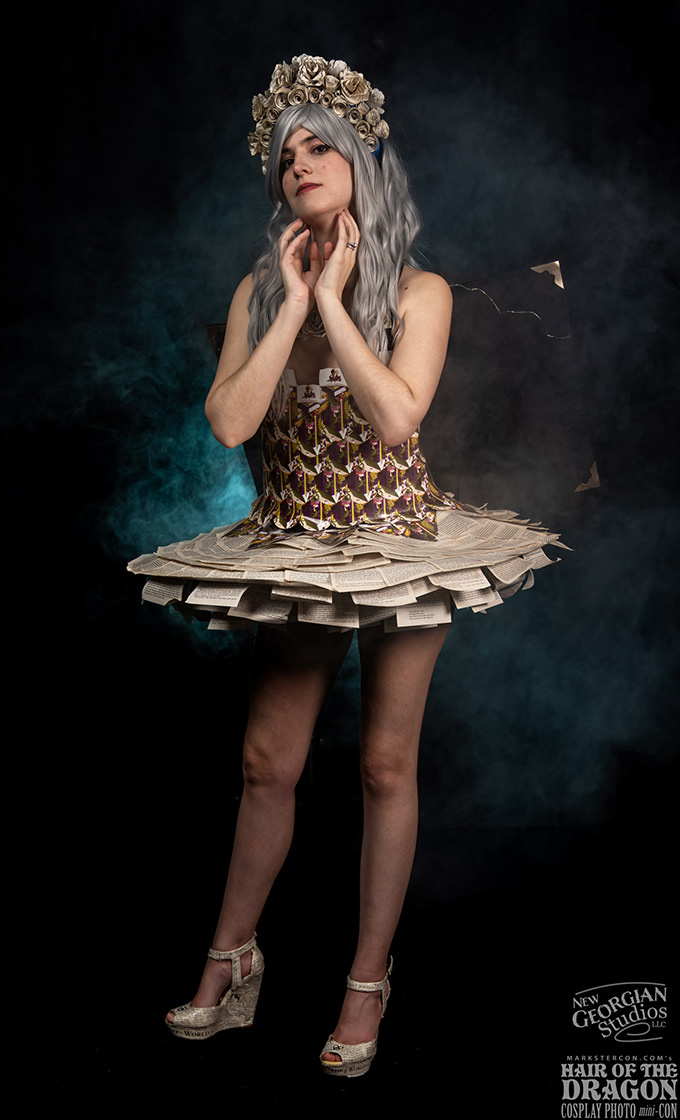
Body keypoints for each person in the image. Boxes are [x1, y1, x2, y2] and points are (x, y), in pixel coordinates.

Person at [128, 54, 562, 1077]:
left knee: (381, 764)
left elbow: (397, 415)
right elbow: (230, 420)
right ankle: (232, 960)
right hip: (292, 542)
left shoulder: (420, 289)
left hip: (398, 544)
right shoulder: (252, 288)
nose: (300, 163)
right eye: (286, 156)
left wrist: (335, 302)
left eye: (321, 144)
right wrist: (288, 299)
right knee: (264, 763)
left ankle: (366, 979)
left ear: (364, 165)